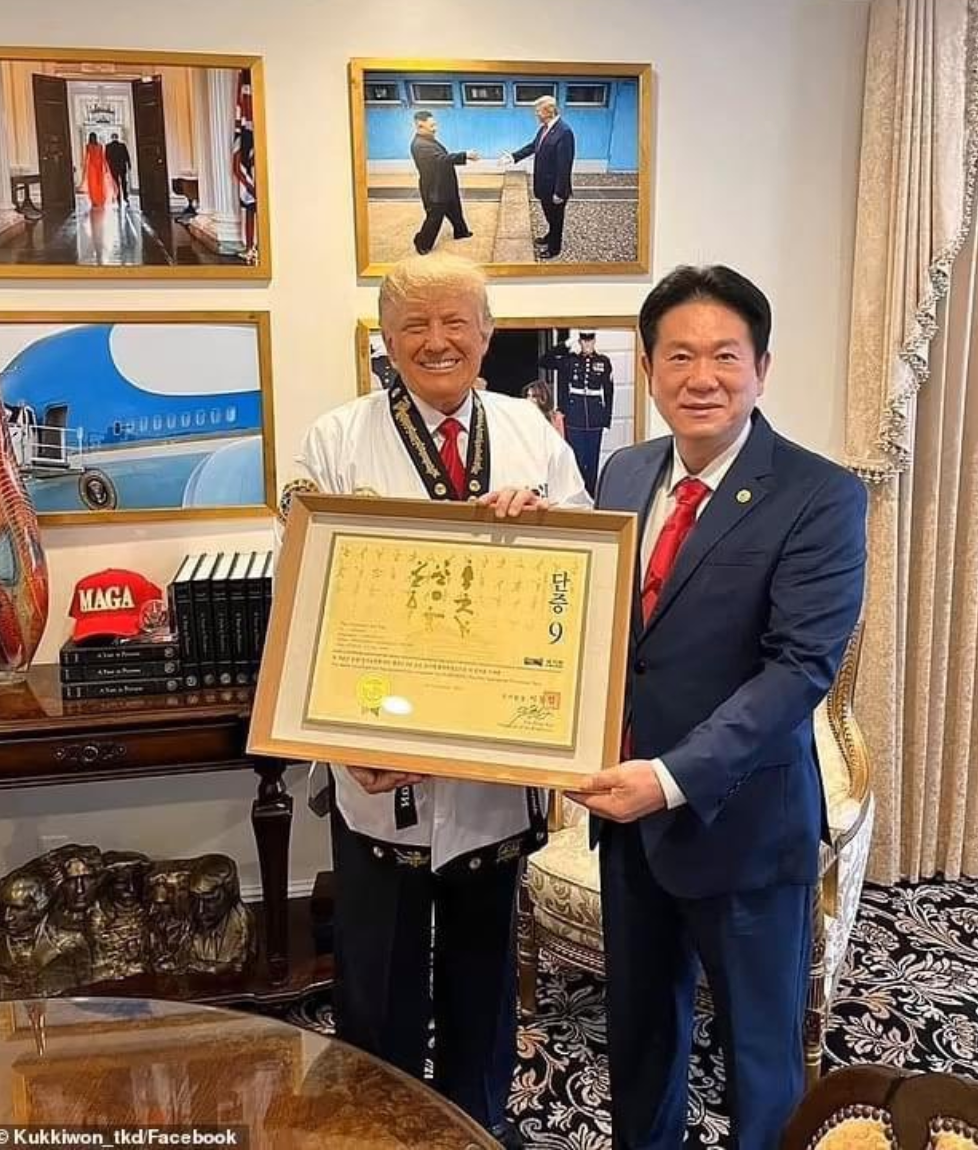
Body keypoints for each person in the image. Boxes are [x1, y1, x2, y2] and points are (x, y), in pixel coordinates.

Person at [291, 252, 589, 1148]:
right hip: (379, 769)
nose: (437, 340)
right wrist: (339, 740)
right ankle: (375, 1129)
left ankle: (477, 1125)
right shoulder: (336, 440)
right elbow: (308, 601)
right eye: (414, 325)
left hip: (494, 774)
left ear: (488, 335)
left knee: (482, 975)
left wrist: (543, 524)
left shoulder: (535, 435)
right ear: (386, 340)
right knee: (377, 985)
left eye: (456, 321)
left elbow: (582, 592)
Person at [570, 265, 867, 1150]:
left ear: (762, 368)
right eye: (680, 356)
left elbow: (798, 670)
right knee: (641, 1040)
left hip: (741, 822)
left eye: (726, 357)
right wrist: (525, 531)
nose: (703, 377)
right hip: (627, 821)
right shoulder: (623, 473)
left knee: (760, 1060)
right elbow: (597, 622)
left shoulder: (821, 495)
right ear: (651, 368)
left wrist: (668, 779)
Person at [539, 331, 614, 496]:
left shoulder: (603, 362)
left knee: (592, 461)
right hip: (574, 416)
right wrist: (565, 344)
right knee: (577, 459)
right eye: (584, 341)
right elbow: (544, 360)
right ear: (579, 342)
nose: (587, 345)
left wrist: (606, 418)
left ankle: (591, 496)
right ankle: (578, 495)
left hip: (594, 417)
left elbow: (608, 391)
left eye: (590, 341)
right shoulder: (570, 361)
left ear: (594, 342)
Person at [501, 96, 575, 260]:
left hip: (555, 187)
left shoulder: (564, 132)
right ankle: (550, 235)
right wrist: (513, 157)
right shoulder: (545, 128)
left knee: (557, 218)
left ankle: (554, 248)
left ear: (549, 111)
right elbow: (533, 146)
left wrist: (560, 192)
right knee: (549, 215)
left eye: (538, 111)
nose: (536, 115)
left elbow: (565, 165)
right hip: (543, 185)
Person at [410, 110, 478, 255]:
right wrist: (465, 155)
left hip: (445, 185)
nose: (435, 128)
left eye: (435, 124)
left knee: (455, 210)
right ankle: (422, 243)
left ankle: (461, 232)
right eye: (431, 126)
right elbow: (441, 159)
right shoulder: (420, 145)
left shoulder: (428, 139)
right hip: (435, 188)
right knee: (434, 218)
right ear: (420, 126)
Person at [79, 132, 112, 209]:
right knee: (99, 184)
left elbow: (87, 157)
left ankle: (94, 200)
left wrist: (84, 167)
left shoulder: (88, 146)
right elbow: (103, 157)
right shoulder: (99, 146)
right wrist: (105, 167)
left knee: (93, 184)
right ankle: (99, 199)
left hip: (92, 167)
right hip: (98, 166)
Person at [105, 132, 131, 205]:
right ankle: (125, 196)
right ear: (117, 137)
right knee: (123, 182)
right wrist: (129, 164)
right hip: (122, 166)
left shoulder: (108, 146)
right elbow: (126, 155)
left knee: (115, 183)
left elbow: (106, 158)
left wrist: (106, 168)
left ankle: (117, 196)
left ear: (111, 138)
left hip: (113, 168)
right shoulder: (122, 146)